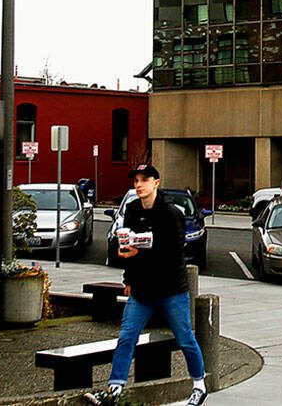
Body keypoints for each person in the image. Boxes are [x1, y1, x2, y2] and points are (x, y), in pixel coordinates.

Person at [85, 164, 208, 405]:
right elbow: (128, 242)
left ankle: (199, 384)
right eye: (136, 181)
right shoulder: (132, 209)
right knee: (127, 336)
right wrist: (128, 277)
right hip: (142, 290)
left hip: (171, 288)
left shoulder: (171, 213)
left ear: (156, 183)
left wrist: (137, 254)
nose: (139, 185)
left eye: (144, 180)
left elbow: (173, 252)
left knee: (184, 338)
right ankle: (115, 389)